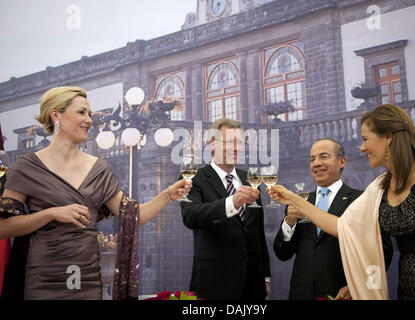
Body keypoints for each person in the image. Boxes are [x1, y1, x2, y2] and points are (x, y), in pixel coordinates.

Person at [0, 86, 191, 300]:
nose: (89, 120)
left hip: (86, 281)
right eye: (81, 112)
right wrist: (50, 214)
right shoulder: (28, 166)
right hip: (39, 282)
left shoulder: (99, 169)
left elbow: (133, 217)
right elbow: (3, 227)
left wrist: (166, 194)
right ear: (56, 115)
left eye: (89, 114)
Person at [269, 104, 415, 300]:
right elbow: (342, 227)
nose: (362, 147)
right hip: (408, 291)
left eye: (365, 139)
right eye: (312, 159)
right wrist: (293, 200)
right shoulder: (378, 188)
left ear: (388, 137)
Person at [274, 138, 393, 300]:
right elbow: (282, 253)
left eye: (323, 157)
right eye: (312, 159)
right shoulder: (299, 201)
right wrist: (289, 222)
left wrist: (358, 285)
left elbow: (381, 252)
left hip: (343, 294)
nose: (316, 163)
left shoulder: (361, 200)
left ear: (341, 161)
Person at [180, 118, 271, 300]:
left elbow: (258, 233)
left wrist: (266, 276)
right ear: (212, 144)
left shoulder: (250, 179)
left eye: (240, 142)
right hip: (213, 283)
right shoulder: (195, 178)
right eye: (230, 142)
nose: (237, 148)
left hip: (253, 284)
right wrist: (232, 203)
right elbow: (190, 216)